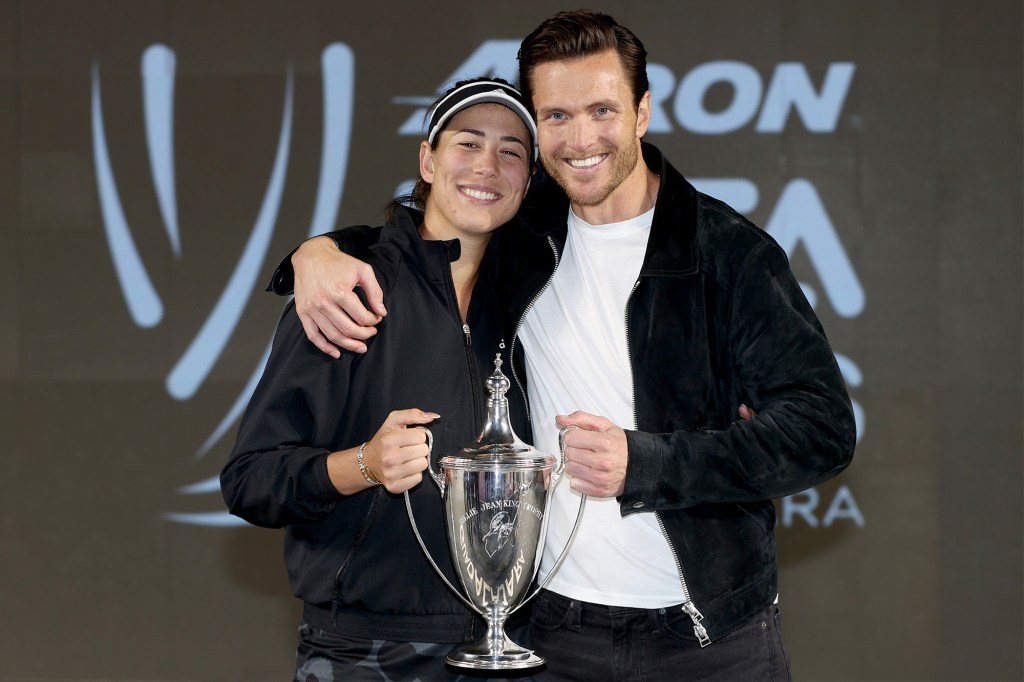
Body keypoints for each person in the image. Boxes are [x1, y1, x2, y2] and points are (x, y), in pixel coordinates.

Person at [269, 10, 857, 681]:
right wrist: (314, 255)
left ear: (642, 112)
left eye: (602, 110)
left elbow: (823, 430)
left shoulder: (728, 255)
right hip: (548, 635)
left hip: (712, 641)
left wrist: (648, 462)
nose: (581, 139)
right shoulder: (521, 234)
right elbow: (418, 234)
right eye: (556, 116)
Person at [220, 77, 538, 680]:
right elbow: (249, 478)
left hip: (514, 648)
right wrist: (363, 463)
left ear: (527, 181)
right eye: (468, 143)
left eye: (511, 152)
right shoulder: (349, 293)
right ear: (428, 158)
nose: (488, 166)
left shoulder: (537, 298)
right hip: (368, 652)